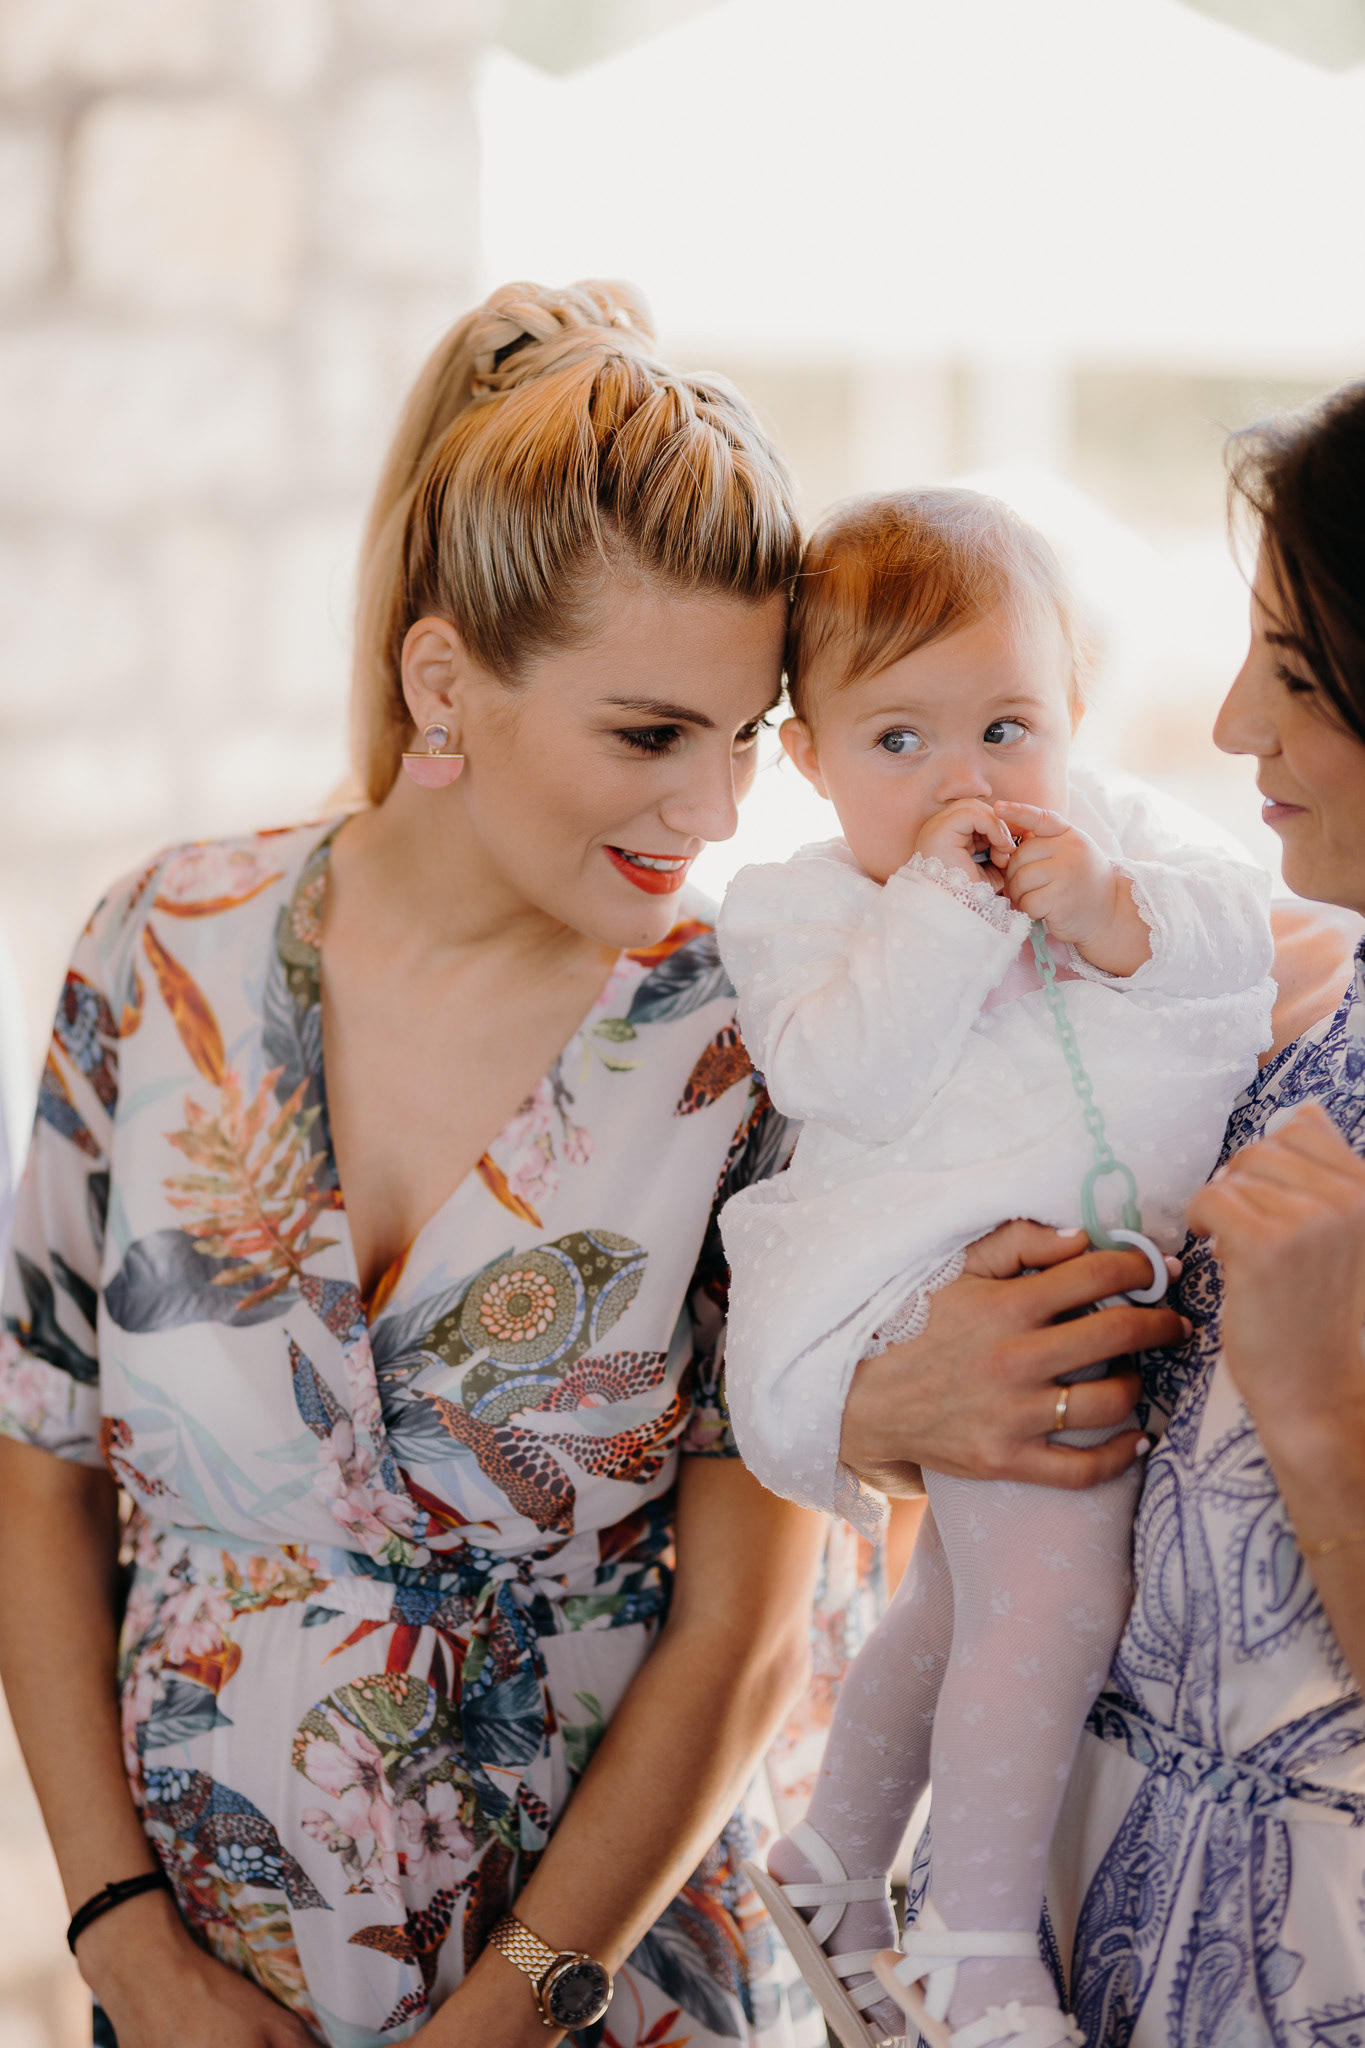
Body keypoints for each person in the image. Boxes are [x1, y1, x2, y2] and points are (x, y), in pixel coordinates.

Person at [0, 278, 836, 2048]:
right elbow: (36, 1462)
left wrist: (507, 2019)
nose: (713, 811)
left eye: (745, 735)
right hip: (192, 1998)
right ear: (444, 680)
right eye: (648, 734)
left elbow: (751, 1633)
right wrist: (123, 1942)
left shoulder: (752, 1045)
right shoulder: (161, 949)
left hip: (596, 2002)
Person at [714, 491, 1275, 2048]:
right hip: (931, 1297)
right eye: (897, 741)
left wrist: (1106, 908)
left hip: (1075, 1294)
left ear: (1074, 716)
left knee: (960, 1604)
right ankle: (972, 1949)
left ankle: (832, 1863)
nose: (964, 782)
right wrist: (943, 911)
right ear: (809, 757)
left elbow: (1235, 949)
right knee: (1052, 1599)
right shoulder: (802, 906)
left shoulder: (1120, 839)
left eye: (1007, 728)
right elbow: (843, 1073)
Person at [1047, 383, 1365, 2041]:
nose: (1237, 723)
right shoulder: (1293, 1000)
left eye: (1298, 676)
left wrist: (1318, 1411)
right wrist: (911, 1395)